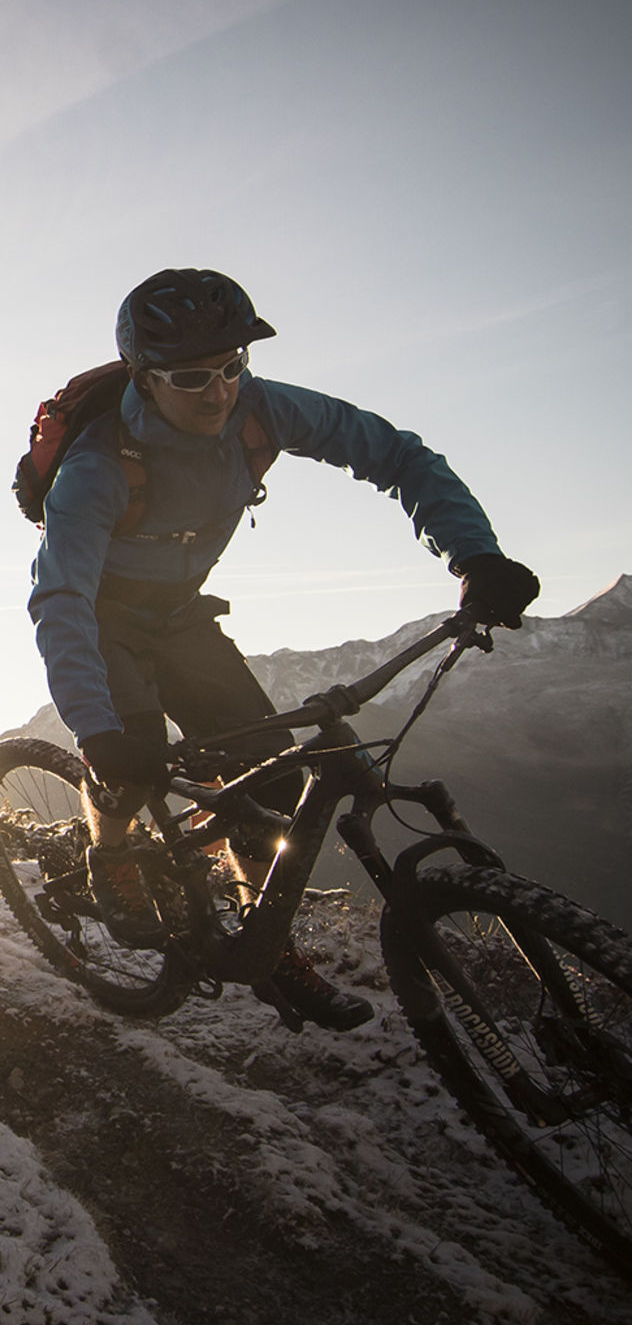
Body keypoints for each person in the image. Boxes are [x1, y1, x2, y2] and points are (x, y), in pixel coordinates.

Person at [29, 267, 539, 1031]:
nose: (221, 392)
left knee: (266, 785)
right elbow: (60, 597)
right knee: (127, 760)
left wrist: (475, 557)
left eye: (235, 366)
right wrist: (97, 733)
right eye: (195, 376)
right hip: (102, 619)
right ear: (145, 377)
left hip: (180, 615)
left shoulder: (263, 410)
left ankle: (265, 949)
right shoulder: (98, 466)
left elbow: (396, 455)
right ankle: (109, 856)